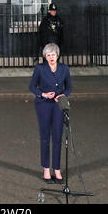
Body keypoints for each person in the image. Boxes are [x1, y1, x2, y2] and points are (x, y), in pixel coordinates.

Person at [29, 43, 72, 184]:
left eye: (53, 54)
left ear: (57, 55)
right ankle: (46, 169)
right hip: (44, 105)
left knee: (58, 137)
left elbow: (69, 87)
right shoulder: (40, 68)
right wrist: (43, 94)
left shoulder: (64, 68)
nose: (51, 57)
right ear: (45, 56)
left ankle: (57, 169)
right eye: (48, 55)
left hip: (58, 106)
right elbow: (32, 86)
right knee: (45, 137)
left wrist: (63, 95)